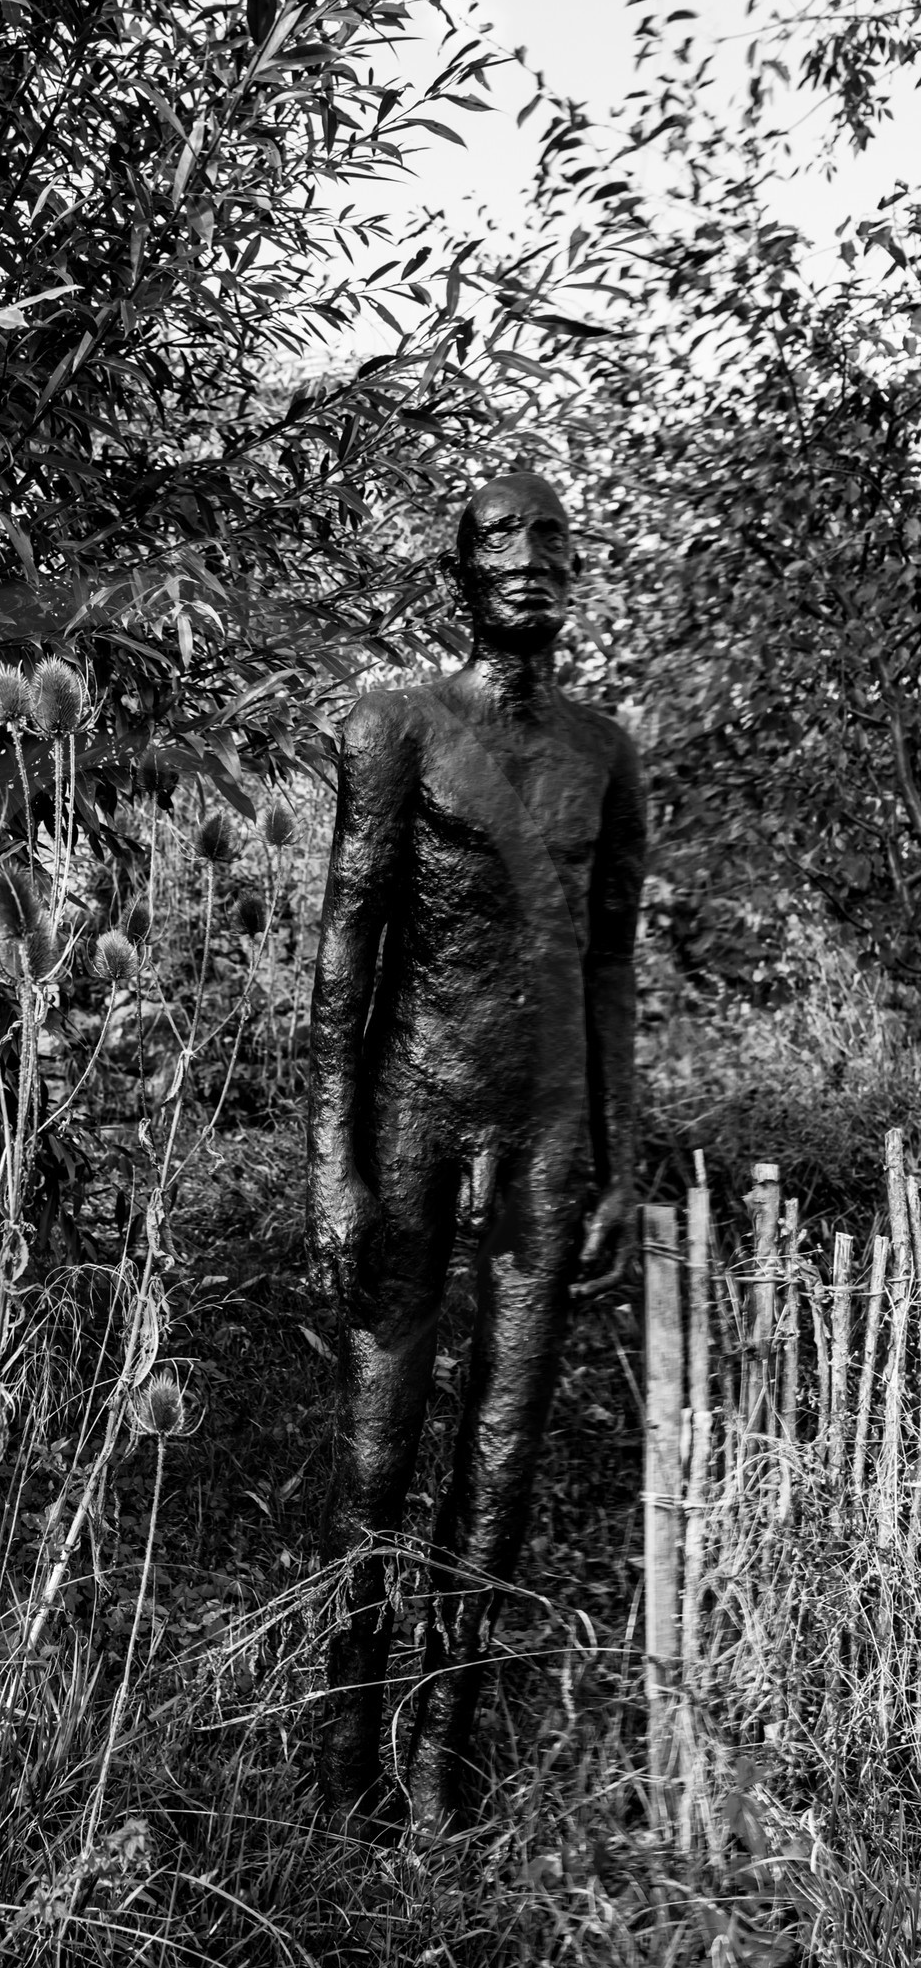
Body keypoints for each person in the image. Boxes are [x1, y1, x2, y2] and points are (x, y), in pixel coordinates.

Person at [305, 471, 646, 1832]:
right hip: (415, 1102)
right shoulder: (395, 724)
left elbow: (611, 963)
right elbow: (348, 937)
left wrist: (621, 1153)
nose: (532, 557)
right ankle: (348, 1759)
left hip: (552, 1114)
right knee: (381, 1445)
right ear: (458, 570)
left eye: (553, 534)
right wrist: (333, 1152)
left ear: (576, 568)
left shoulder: (605, 750)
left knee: (503, 1444)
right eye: (503, 537)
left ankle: (447, 1755)